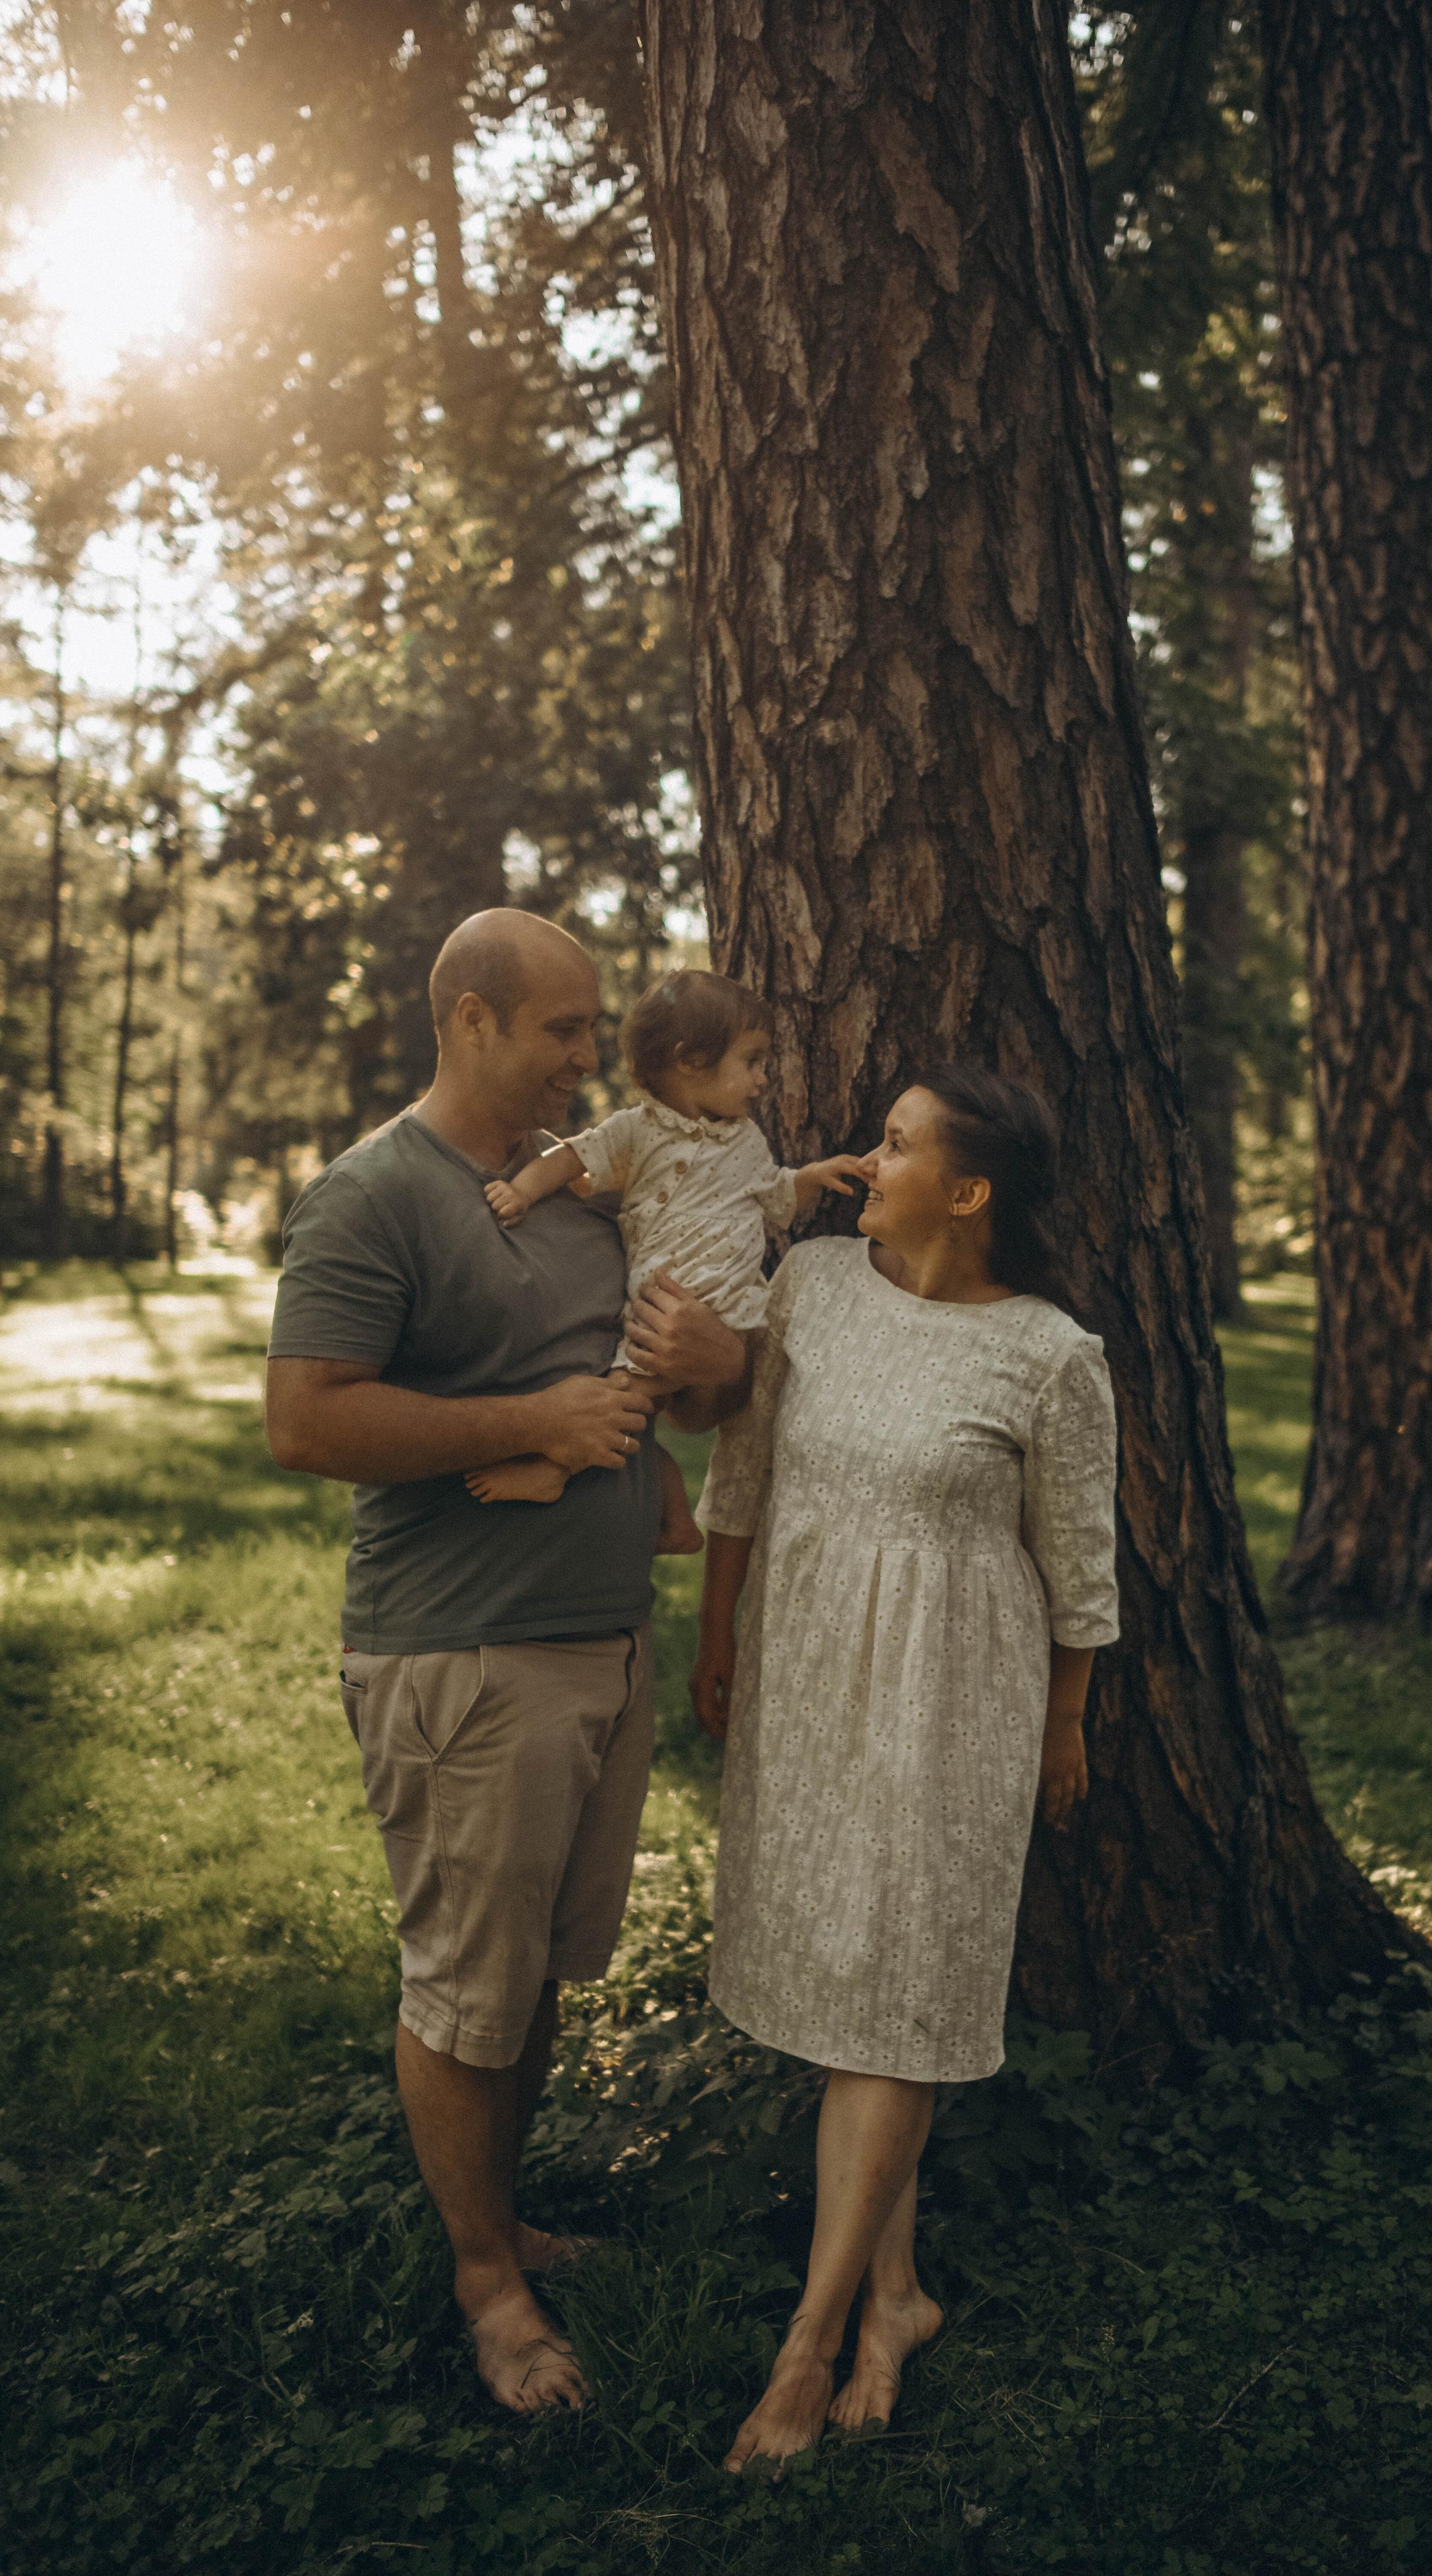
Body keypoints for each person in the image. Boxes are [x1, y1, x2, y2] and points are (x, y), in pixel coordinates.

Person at [265, 910, 751, 2419]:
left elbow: (678, 1398)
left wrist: (702, 1371)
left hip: (600, 1642)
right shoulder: (374, 1197)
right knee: (468, 1983)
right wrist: (526, 1426)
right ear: (469, 1020)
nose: (588, 1057)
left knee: (532, 1968)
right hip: (465, 1658)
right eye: (560, 1030)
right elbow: (307, 1422)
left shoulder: (585, 1200)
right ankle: (487, 2286)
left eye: (592, 1030)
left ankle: (507, 2224)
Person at [690, 1066, 1120, 2474]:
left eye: (895, 1143)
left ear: (970, 1189)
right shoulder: (811, 1286)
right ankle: (894, 2294)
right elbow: (740, 1477)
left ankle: (805, 2349)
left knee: (894, 2000)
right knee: (853, 1991)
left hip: (956, 1701)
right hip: (808, 1679)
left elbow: (1077, 1572)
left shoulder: (1051, 1355)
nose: (865, 1159)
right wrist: (715, 1638)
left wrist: (1060, 1726)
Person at [466, 968, 865, 1541]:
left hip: (725, 1307)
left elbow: (775, 1194)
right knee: (630, 1408)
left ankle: (557, 1470)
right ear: (691, 1061)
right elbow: (574, 1158)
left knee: (623, 1401)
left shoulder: (747, 1139)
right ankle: (674, 1516)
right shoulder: (640, 1129)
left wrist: (814, 1178)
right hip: (661, 1313)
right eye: (751, 1061)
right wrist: (523, 1189)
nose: (762, 1079)